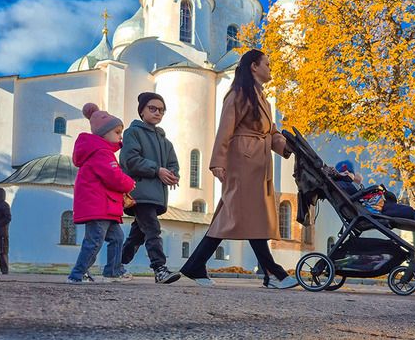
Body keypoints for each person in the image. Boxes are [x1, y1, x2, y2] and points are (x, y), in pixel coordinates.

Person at [180, 51, 297, 289]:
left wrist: (290, 147)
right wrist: (218, 162)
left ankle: (197, 264)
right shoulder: (238, 94)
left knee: (250, 215)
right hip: (242, 161)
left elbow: (271, 133)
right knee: (240, 213)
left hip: (257, 163)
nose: (270, 68)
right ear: (254, 66)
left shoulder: (261, 98)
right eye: (267, 64)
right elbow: (225, 129)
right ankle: (272, 271)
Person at [67, 103, 136, 284]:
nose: (120, 136)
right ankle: (77, 274)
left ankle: (113, 271)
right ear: (104, 133)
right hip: (99, 207)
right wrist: (129, 183)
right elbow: (113, 176)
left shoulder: (99, 152)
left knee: (117, 237)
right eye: (117, 132)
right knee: (94, 241)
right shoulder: (101, 153)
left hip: (104, 207)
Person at [119, 92, 180, 284]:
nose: (157, 113)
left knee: (137, 236)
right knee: (153, 229)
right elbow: (130, 160)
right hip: (139, 192)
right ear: (142, 111)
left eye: (161, 110)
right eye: (152, 108)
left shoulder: (165, 141)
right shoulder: (133, 133)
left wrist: (172, 174)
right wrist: (157, 170)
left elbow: (173, 164)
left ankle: (116, 264)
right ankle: (159, 269)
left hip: (157, 195)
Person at [329, 159, 415, 241]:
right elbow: (355, 196)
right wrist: (353, 179)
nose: (350, 174)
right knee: (402, 212)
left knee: (402, 213)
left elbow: (357, 196)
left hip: (371, 209)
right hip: (371, 211)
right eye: (348, 172)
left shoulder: (344, 184)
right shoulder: (341, 184)